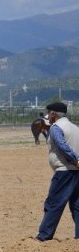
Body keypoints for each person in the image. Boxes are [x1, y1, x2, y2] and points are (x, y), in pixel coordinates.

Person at [36, 102, 79, 241]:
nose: (48, 116)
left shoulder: (56, 127)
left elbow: (62, 146)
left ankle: (44, 236)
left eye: (49, 113)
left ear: (54, 114)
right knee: (77, 204)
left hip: (64, 171)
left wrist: (74, 159)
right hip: (77, 172)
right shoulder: (75, 127)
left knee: (54, 203)